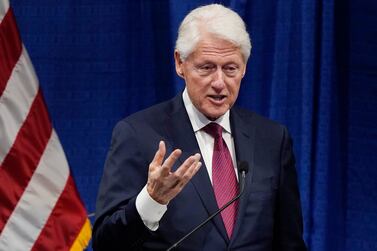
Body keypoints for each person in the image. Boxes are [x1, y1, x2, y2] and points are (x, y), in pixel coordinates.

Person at [93, 4, 307, 251]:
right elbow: (105, 244)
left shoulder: (272, 139)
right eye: (206, 67)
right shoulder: (138, 135)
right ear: (180, 63)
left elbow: (290, 242)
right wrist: (151, 201)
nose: (219, 83)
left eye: (230, 69)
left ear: (244, 68)